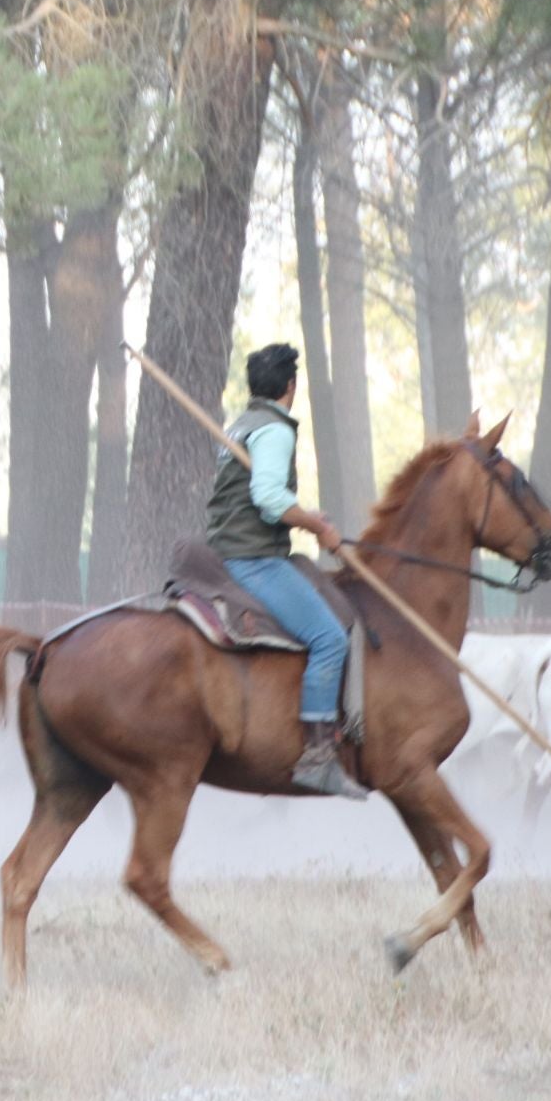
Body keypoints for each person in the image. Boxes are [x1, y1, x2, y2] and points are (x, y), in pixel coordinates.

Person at [203, 343, 367, 801]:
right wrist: (318, 526)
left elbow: (259, 495)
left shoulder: (243, 424)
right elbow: (270, 500)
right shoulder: (275, 431)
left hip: (231, 549)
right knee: (330, 638)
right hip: (253, 558)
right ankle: (317, 758)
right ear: (290, 387)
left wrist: (308, 516)